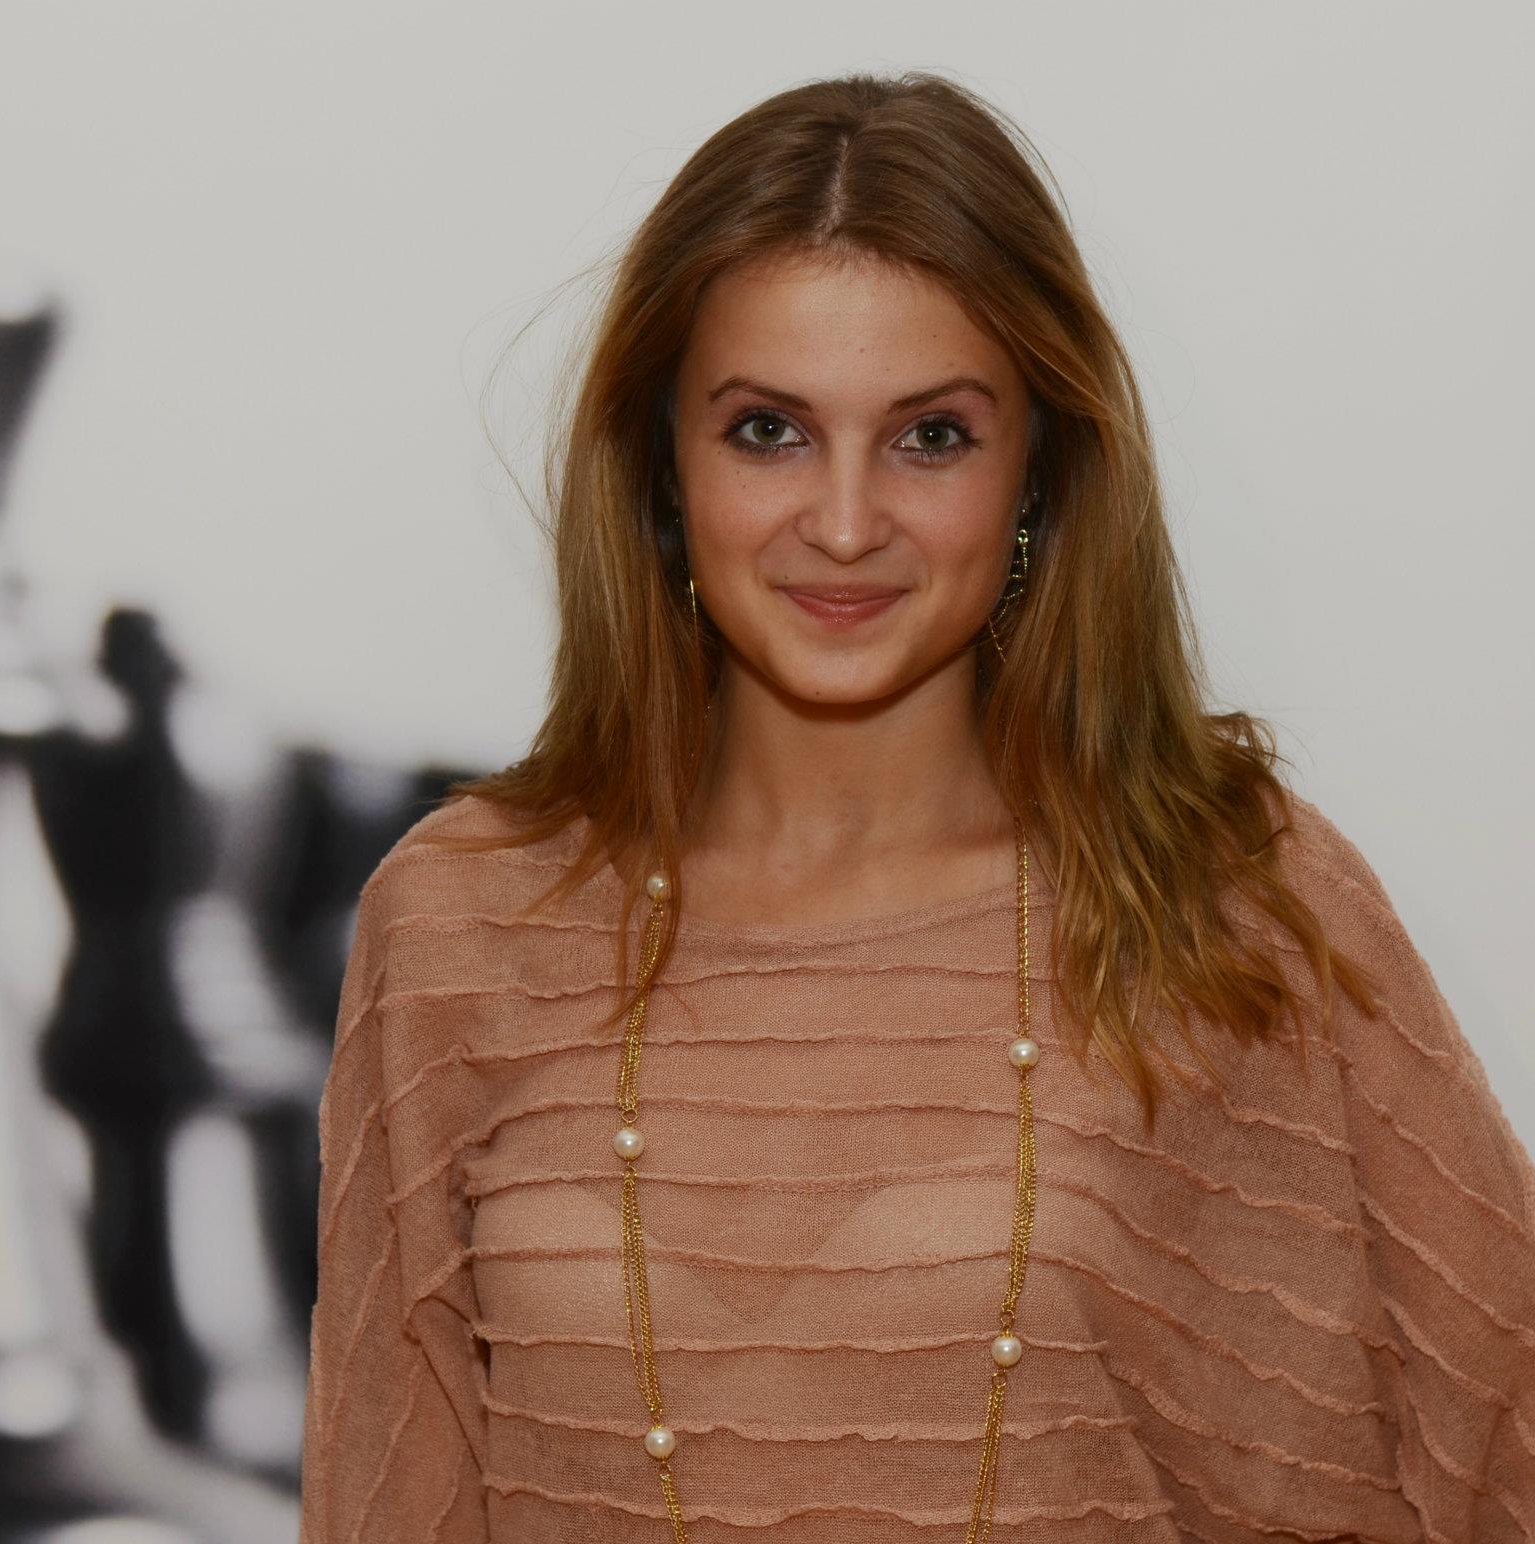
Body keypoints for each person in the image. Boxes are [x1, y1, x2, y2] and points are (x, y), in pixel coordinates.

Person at [297, 71, 1535, 1542]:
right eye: (768, 431)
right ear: (661, 464)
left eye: (930, 436)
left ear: (1037, 472)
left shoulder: (1229, 899)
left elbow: (1499, 1439)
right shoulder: (459, 921)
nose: (843, 523)